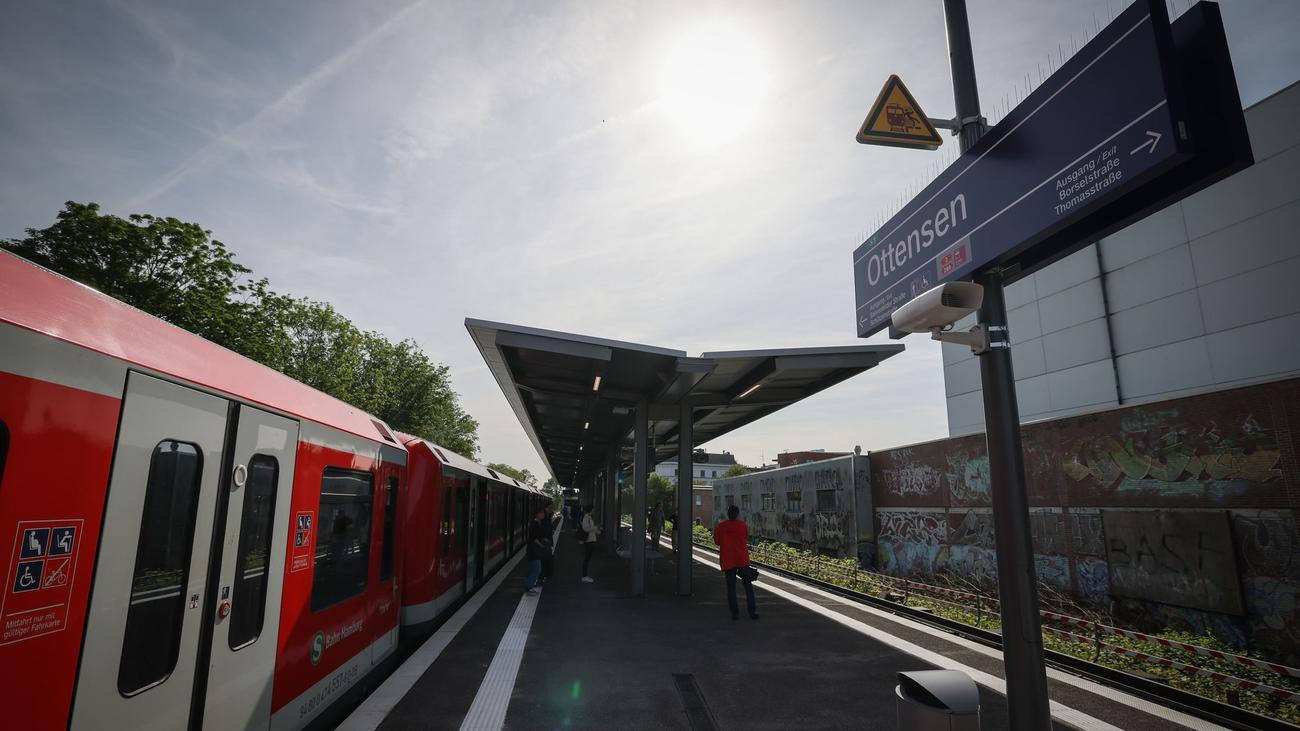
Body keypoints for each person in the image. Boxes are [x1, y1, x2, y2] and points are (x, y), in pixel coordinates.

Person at [713, 505, 758, 620]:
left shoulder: (721, 526)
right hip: (742, 559)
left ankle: (735, 613)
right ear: (737, 514)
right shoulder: (742, 525)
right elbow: (745, 538)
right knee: (748, 586)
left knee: (731, 587)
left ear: (728, 514)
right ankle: (752, 612)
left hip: (728, 560)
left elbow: (717, 542)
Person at [525, 507, 549, 594]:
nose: (543, 514)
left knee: (535, 569)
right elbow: (533, 538)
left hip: (534, 550)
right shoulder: (535, 524)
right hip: (533, 550)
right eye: (541, 513)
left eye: (543, 513)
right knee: (537, 570)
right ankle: (529, 587)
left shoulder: (538, 523)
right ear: (537, 514)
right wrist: (541, 545)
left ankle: (530, 585)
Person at [580, 504, 601, 582]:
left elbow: (590, 528)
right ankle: (584, 576)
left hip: (590, 540)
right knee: (587, 558)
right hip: (588, 540)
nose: (594, 510)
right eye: (593, 509)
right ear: (591, 510)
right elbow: (585, 528)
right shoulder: (586, 517)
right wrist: (596, 527)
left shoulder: (588, 517)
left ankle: (585, 575)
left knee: (587, 558)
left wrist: (598, 531)